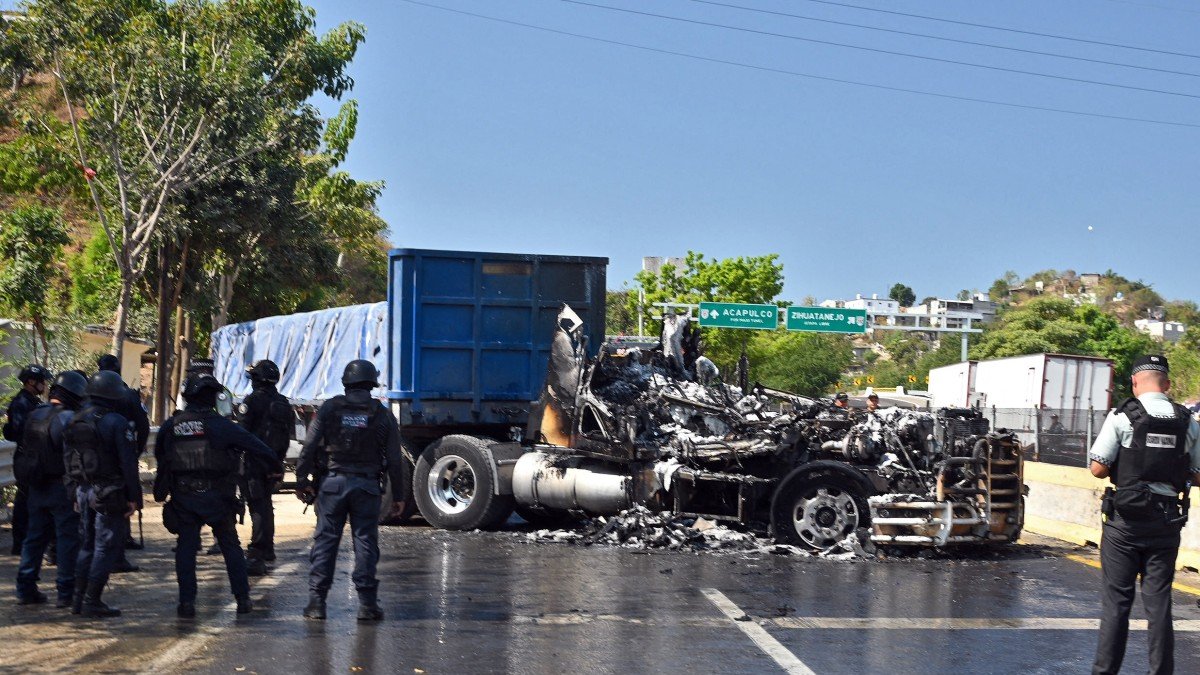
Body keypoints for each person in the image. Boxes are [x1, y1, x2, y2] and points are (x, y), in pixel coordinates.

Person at [1088, 355, 1200, 675]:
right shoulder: (1187, 422)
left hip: (1125, 523)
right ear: (1166, 384)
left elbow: (1098, 468)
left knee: (1117, 604)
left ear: (1136, 383)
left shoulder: (1123, 416)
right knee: (1159, 602)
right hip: (1167, 522)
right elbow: (1199, 474)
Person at [155, 374, 282, 618]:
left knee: (186, 548)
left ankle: (186, 604)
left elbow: (162, 458)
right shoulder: (221, 426)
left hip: (184, 497)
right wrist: (275, 467)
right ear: (213, 398)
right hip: (218, 497)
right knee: (230, 546)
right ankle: (243, 600)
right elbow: (257, 446)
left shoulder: (171, 427)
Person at [295, 360, 404, 622]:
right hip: (366, 487)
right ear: (371, 384)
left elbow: (309, 447)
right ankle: (367, 605)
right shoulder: (382, 414)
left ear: (346, 383)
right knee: (365, 541)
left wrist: (301, 480)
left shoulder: (330, 409)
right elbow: (394, 459)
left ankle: (317, 603)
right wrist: (398, 496)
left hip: (333, 485)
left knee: (326, 540)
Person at [63, 371, 141, 618]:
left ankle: (77, 600)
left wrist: (74, 493)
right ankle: (92, 600)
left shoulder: (75, 420)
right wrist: (134, 498)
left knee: (86, 544)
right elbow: (128, 463)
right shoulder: (117, 422)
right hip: (110, 493)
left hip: (84, 490)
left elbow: (67, 460)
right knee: (105, 547)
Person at [13, 371, 86, 607]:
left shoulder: (35, 414)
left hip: (35, 487)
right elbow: (73, 458)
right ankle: (65, 592)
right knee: (67, 538)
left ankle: (25, 588)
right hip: (61, 487)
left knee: (34, 538)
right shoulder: (67, 419)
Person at [234, 360, 291, 574]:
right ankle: (268, 547)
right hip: (275, 460)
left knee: (257, 505)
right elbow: (287, 435)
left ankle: (258, 549)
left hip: (254, 462)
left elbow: (242, 433)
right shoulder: (283, 402)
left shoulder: (252, 401)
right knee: (266, 504)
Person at [96, 355, 149, 571]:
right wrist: (136, 450)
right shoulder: (128, 394)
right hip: (123, 451)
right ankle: (119, 548)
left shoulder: (91, 391)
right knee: (124, 495)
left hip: (96, 458)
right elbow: (143, 425)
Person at [4, 364, 50, 555]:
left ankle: (28, 540)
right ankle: (20, 542)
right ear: (31, 382)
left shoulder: (31, 401)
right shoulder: (22, 403)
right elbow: (21, 431)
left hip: (32, 456)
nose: (44, 385)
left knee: (30, 497)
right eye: (41, 381)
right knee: (24, 499)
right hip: (27, 457)